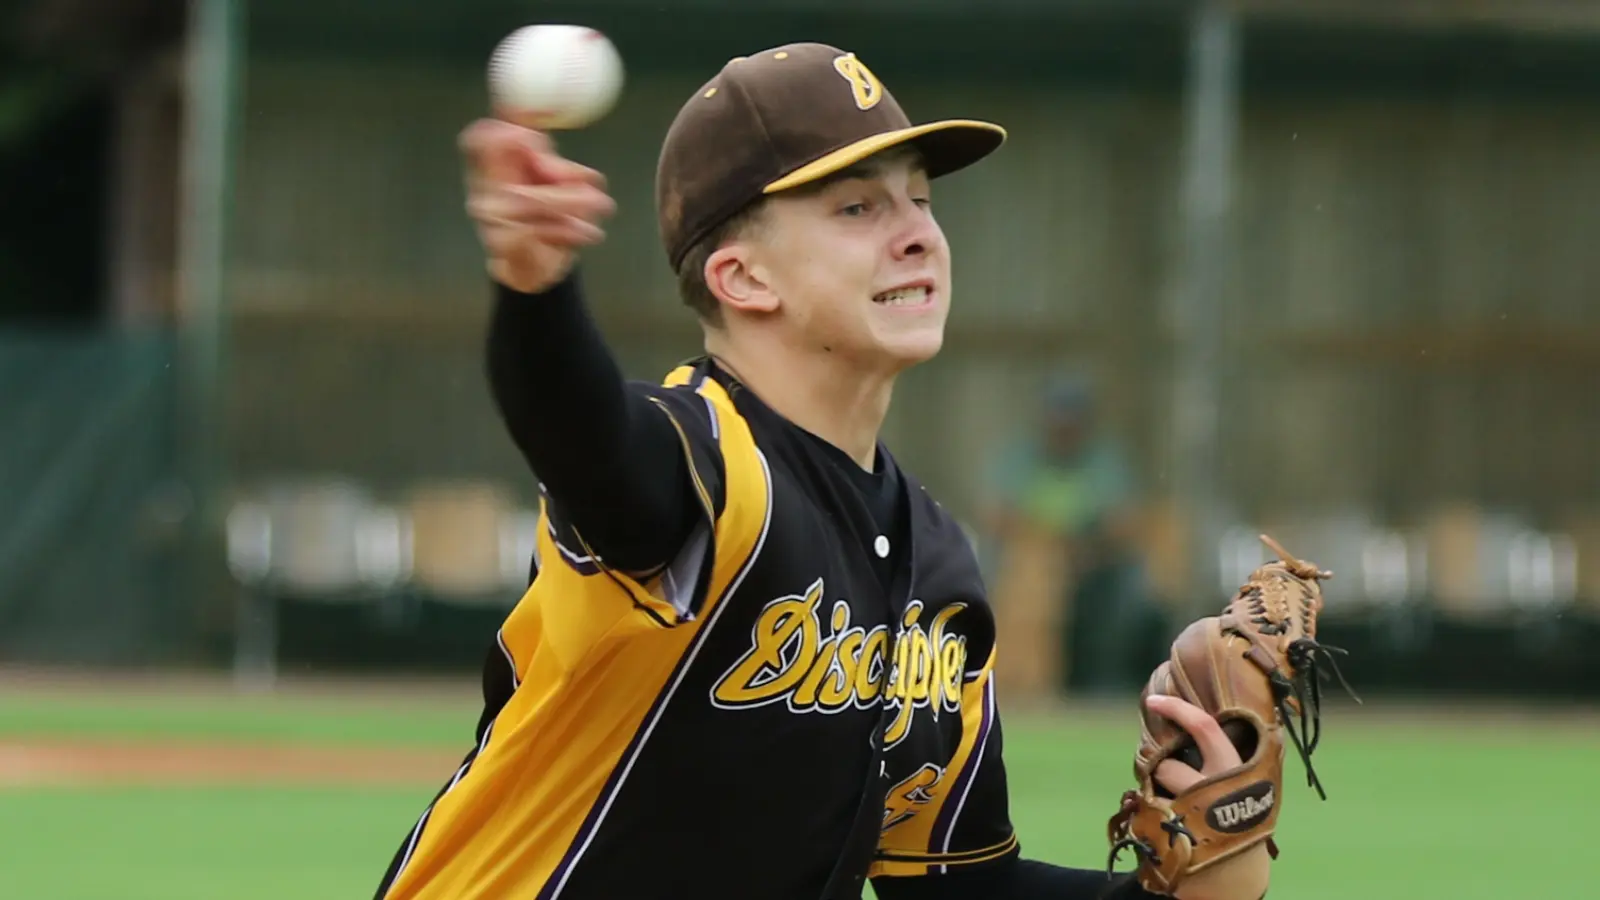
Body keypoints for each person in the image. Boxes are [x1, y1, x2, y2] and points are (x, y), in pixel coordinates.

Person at [372, 42, 1273, 900]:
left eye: (920, 200)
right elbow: (584, 441)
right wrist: (537, 294)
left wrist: (1185, 887)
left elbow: (962, 888)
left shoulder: (938, 568)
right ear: (742, 278)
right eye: (858, 208)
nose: (918, 233)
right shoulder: (706, 467)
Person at [983, 373, 1164, 694]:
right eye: (1056, 416)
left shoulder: (1103, 460)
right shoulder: (1022, 457)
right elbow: (998, 514)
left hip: (1091, 561)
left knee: (1130, 590)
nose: (1062, 426)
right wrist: (1041, 541)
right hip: (1030, 561)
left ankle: (1102, 682)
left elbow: (1123, 522)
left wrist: (1083, 549)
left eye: (1070, 418)